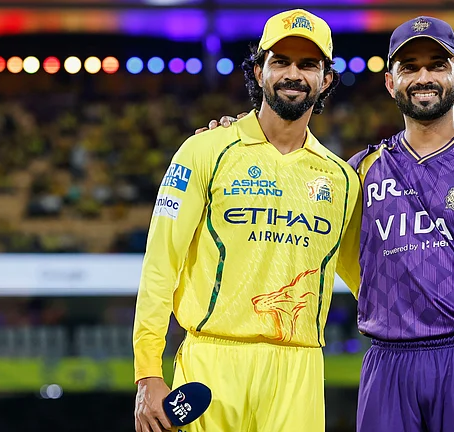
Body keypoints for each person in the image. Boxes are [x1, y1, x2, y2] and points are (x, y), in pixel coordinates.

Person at [200, 16, 454, 432]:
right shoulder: (357, 173)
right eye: (409, 67)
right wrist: (235, 140)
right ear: (391, 83)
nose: (423, 77)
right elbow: (285, 205)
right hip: (387, 362)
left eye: (436, 65)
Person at [132, 9, 361, 432]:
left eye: (308, 64)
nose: (293, 74)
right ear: (258, 71)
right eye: (281, 61)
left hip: (300, 370)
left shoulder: (342, 179)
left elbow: (373, 284)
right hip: (211, 361)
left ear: (326, 79)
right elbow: (160, 266)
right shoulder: (204, 151)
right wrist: (147, 370)